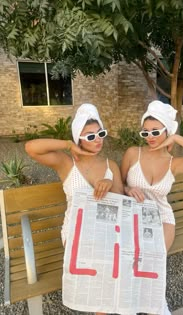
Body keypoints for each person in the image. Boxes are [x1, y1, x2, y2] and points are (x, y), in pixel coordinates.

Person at [25, 103, 124, 315]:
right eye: (89, 136)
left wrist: (109, 186)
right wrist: (67, 144)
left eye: (100, 133)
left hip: (106, 230)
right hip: (77, 232)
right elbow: (31, 148)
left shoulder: (110, 166)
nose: (97, 139)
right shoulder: (66, 163)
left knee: (110, 265)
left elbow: (121, 207)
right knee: (105, 271)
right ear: (78, 138)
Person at [121, 100, 183, 314]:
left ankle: (157, 304)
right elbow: (120, 182)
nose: (150, 137)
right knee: (132, 256)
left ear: (167, 130)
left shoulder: (174, 163)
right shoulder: (132, 153)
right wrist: (127, 189)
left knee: (155, 255)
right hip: (133, 215)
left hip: (161, 217)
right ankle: (131, 301)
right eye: (145, 133)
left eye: (156, 131)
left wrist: (176, 137)